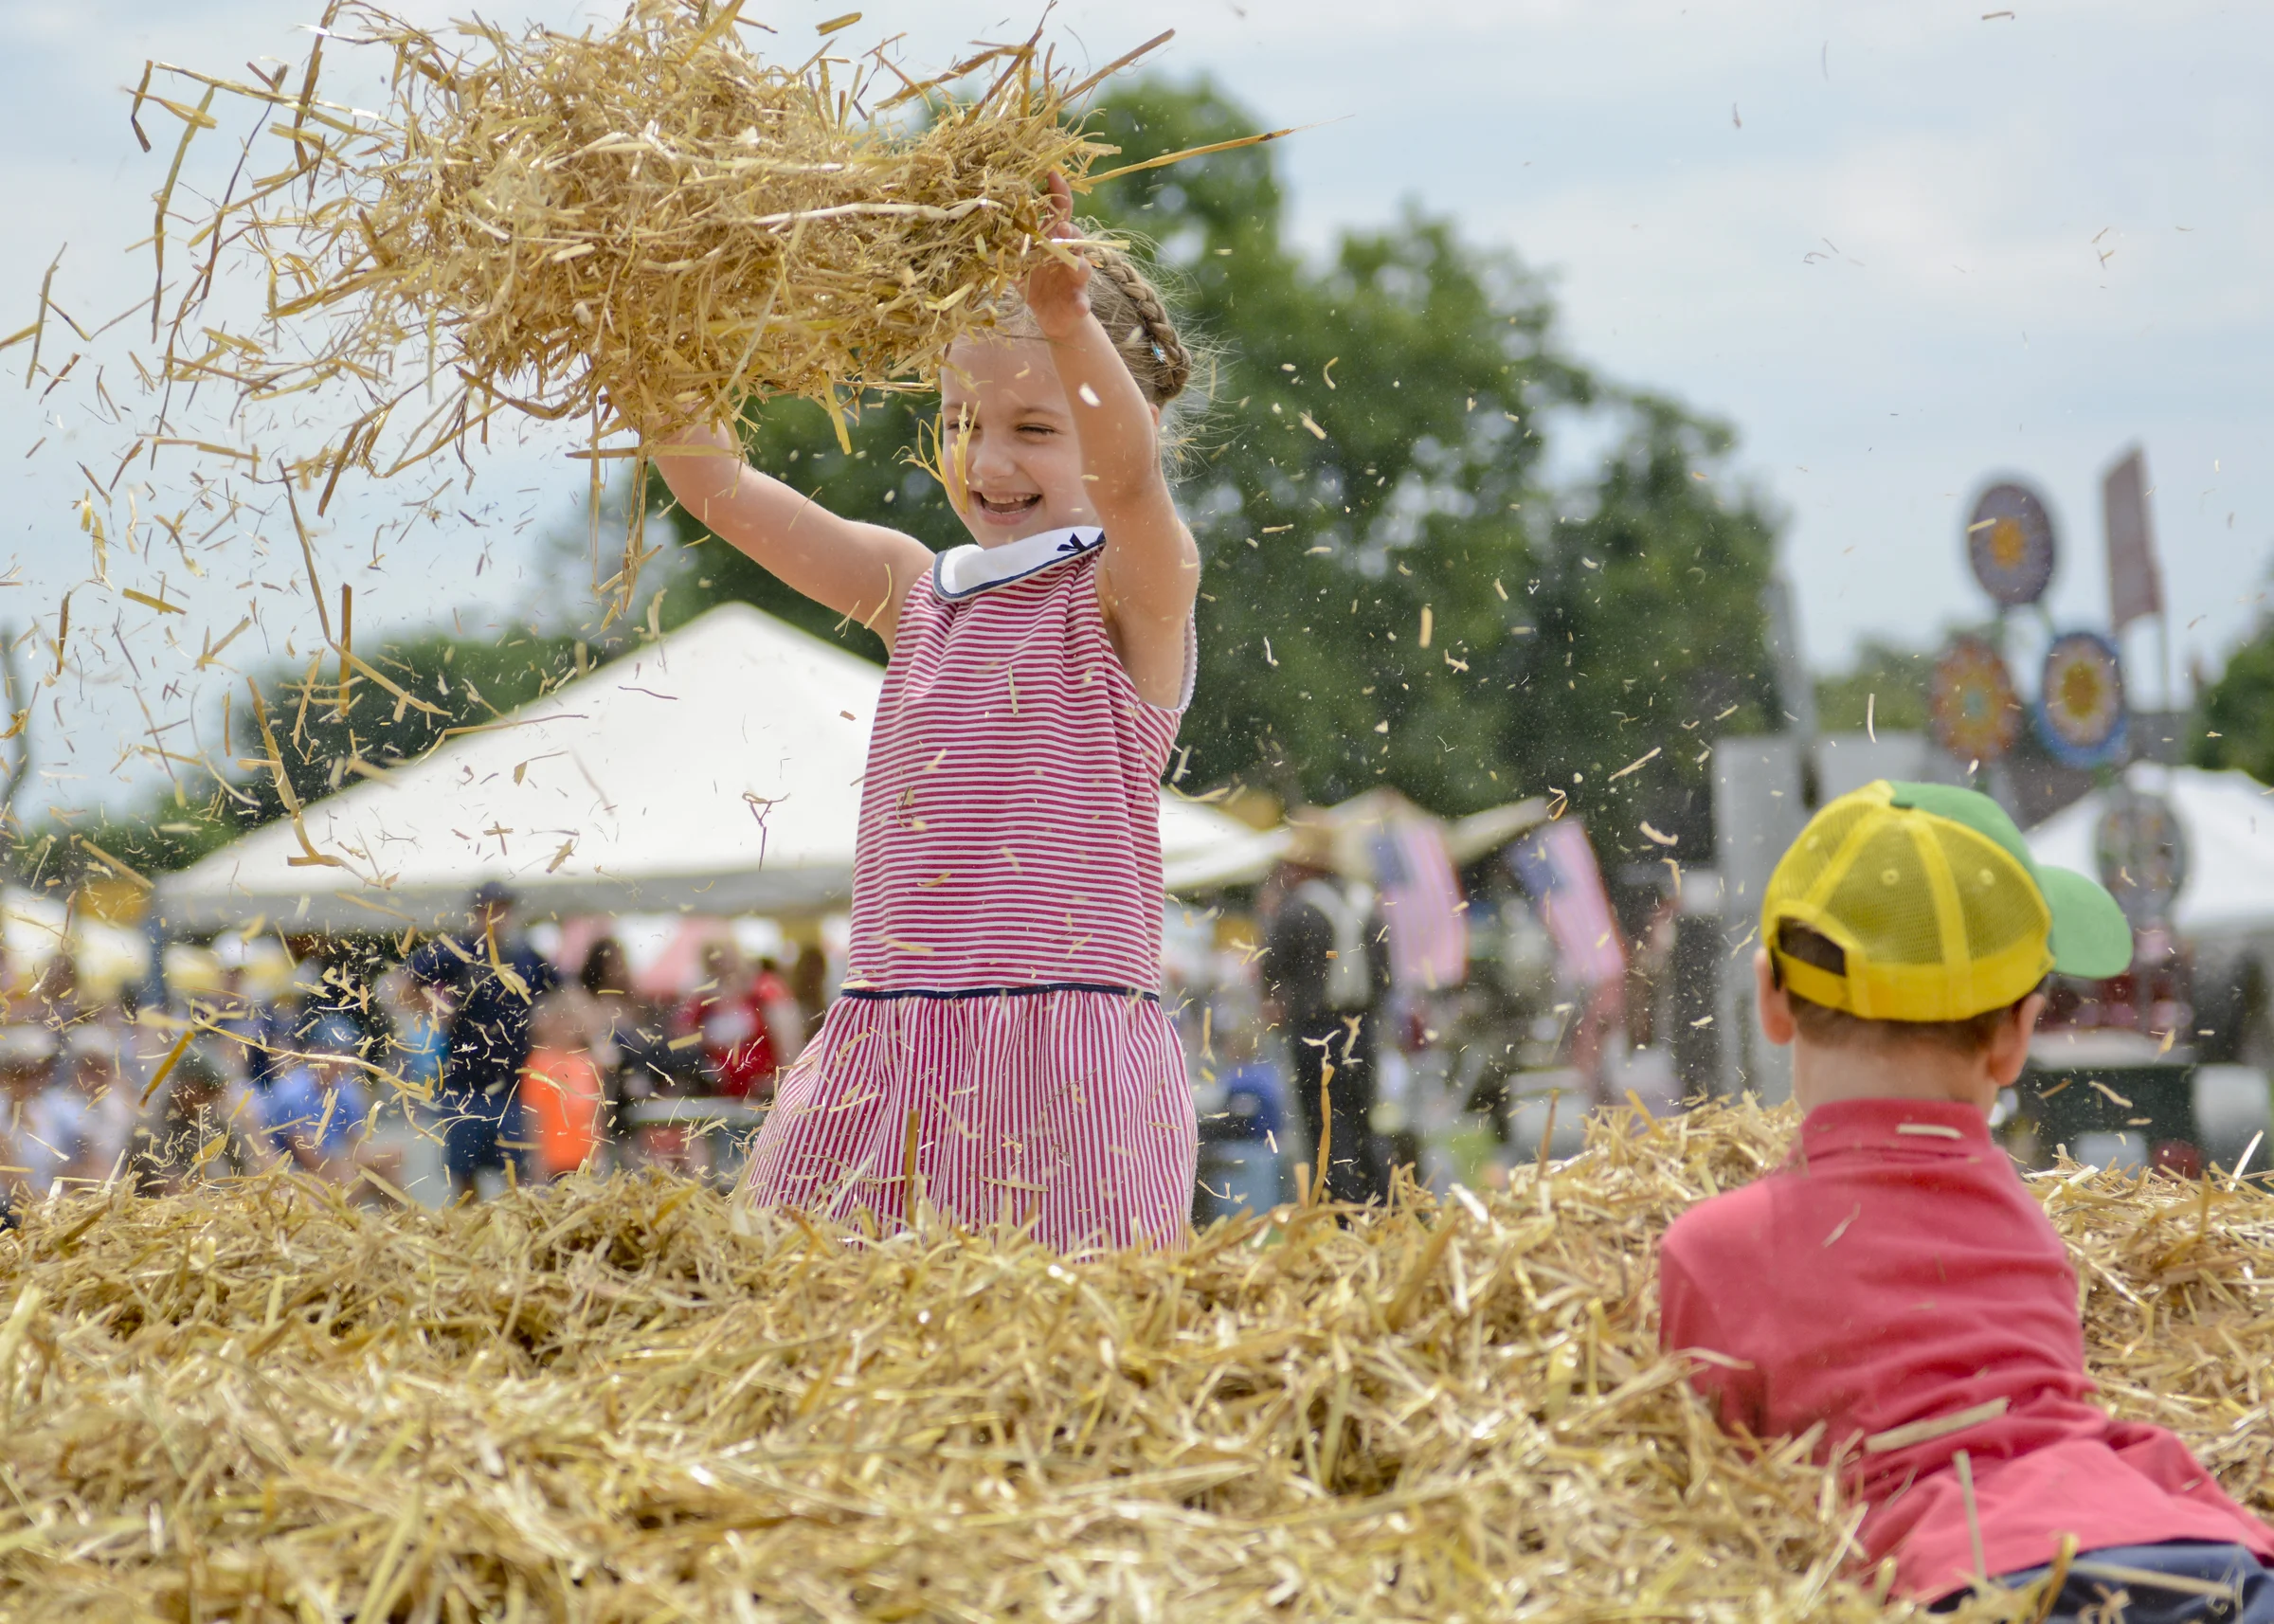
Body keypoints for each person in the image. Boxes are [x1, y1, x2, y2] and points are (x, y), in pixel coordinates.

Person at [647, 173, 1200, 1250]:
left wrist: (1067, 323)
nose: (988, 461)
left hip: (1064, 1063)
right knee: (795, 1304)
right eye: (960, 421)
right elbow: (720, 490)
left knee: (1061, 1330)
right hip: (885, 1048)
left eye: (1035, 427)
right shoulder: (916, 589)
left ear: (1123, 421)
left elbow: (1132, 485)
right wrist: (647, 326)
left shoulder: (1131, 590)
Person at [1657, 780, 2274, 1619]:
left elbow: (1714, 1499)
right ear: (2016, 1037)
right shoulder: (2022, 1218)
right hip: (2197, 1559)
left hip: (1970, 1582)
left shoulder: (1712, 1249)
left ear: (1771, 997)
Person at [1259, 816, 1393, 1205]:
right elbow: (1386, 975)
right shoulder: (1368, 904)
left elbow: (1271, 971)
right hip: (1361, 1028)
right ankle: (1378, 1204)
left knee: (1323, 1127)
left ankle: (1336, 1207)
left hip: (1315, 1030)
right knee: (1363, 1121)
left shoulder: (1298, 908)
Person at [408, 881, 559, 1200]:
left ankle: (513, 1227)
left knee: (518, 1174)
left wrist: (547, 1027)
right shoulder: (457, 951)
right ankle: (471, 1228)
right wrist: (437, 1010)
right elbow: (403, 983)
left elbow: (561, 994)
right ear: (476, 914)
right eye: (489, 911)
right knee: (465, 1177)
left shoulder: (527, 956)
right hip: (465, 1085)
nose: (496, 918)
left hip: (514, 1086)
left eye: (502, 910)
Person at [521, 995, 604, 1181]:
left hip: (584, 1155)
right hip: (553, 1156)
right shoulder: (541, 1061)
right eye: (561, 1022)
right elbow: (535, 1114)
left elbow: (596, 1112)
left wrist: (599, 1149)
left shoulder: (587, 1061)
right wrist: (537, 1157)